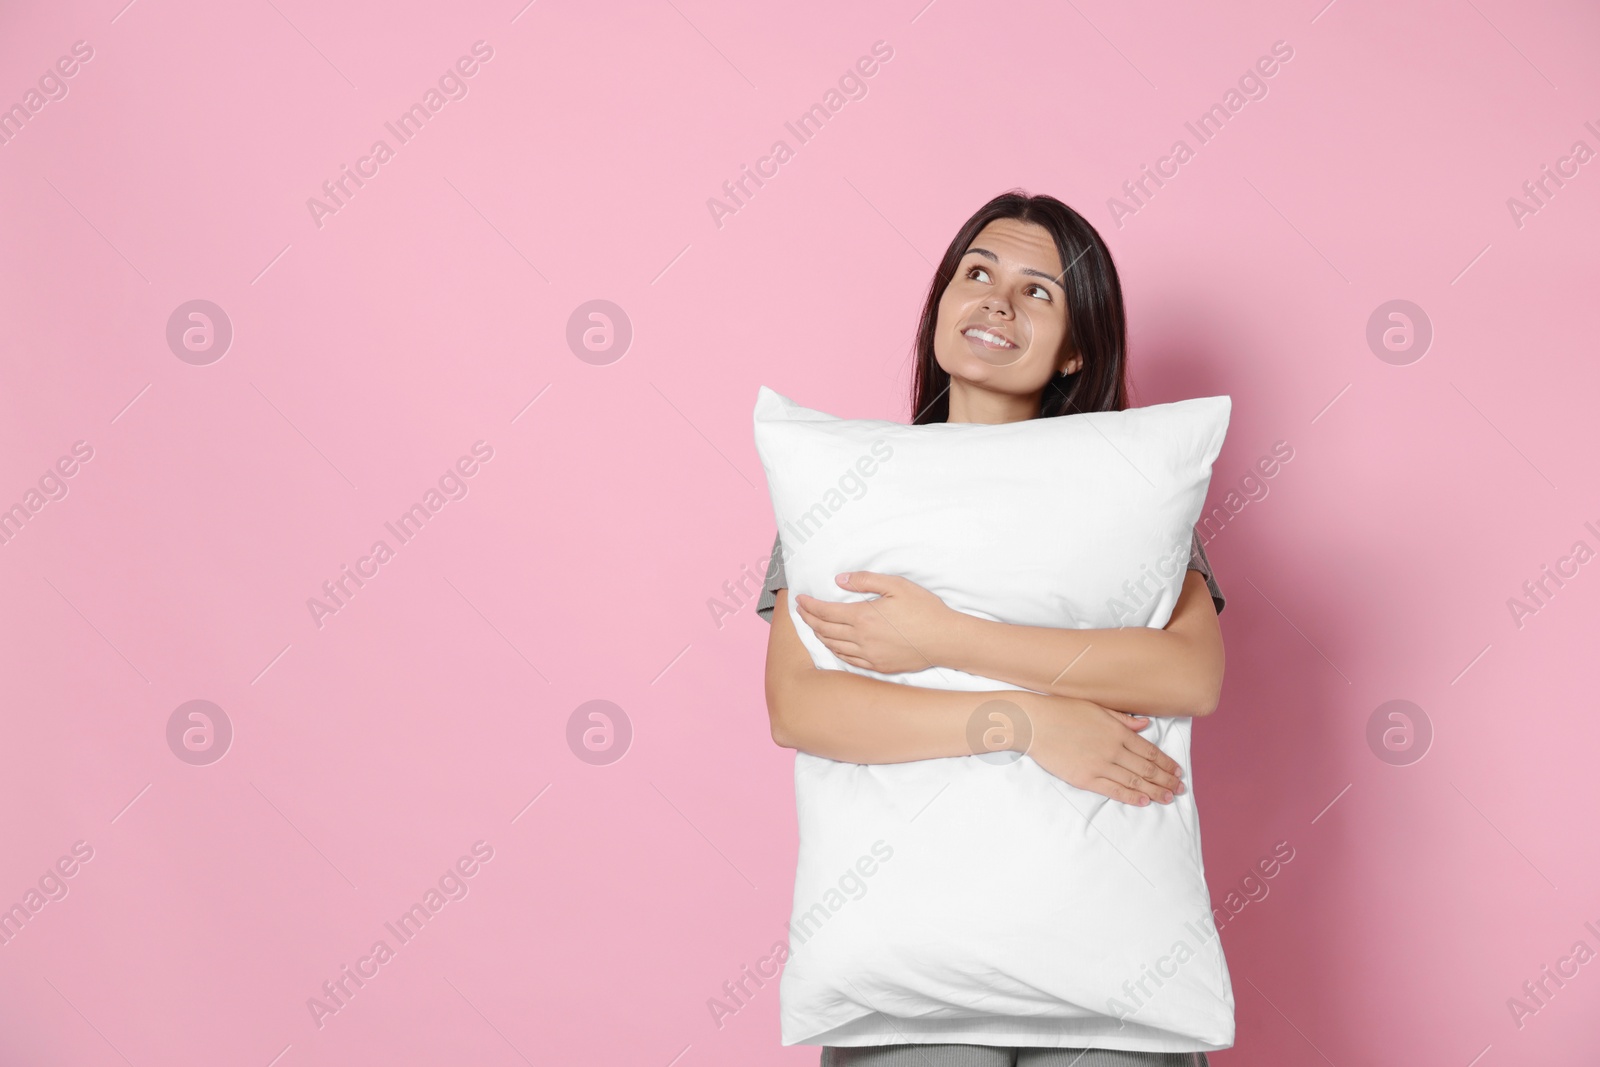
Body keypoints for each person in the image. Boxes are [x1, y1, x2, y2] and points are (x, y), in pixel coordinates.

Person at [757, 191, 1226, 1067]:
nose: (997, 302)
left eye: (1038, 292)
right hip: (912, 978)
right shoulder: (846, 491)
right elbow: (799, 706)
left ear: (1078, 344)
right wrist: (1024, 722)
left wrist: (946, 639)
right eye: (977, 273)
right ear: (941, 302)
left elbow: (1189, 676)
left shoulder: (1131, 497)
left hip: (1111, 974)